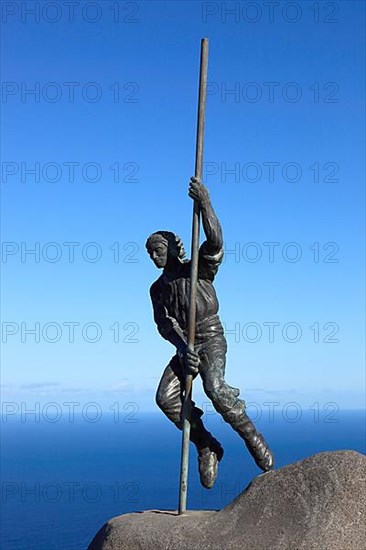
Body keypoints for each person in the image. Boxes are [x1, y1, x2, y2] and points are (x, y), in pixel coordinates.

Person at [146, 177, 274, 488]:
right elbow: (164, 324)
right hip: (185, 345)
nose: (153, 256)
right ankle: (206, 445)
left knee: (216, 389)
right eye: (150, 252)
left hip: (210, 336)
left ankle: (253, 439)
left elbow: (215, 242)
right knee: (165, 398)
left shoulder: (199, 267)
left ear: (174, 248)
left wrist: (204, 203)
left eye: (158, 249)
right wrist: (181, 347)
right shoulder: (157, 289)